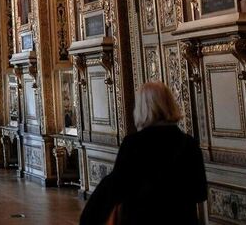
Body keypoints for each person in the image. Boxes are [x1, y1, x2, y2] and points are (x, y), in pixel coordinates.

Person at [79, 82, 206, 225]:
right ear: (170, 104)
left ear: (141, 108)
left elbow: (117, 188)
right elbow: (200, 193)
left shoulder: (132, 144)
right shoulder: (189, 143)